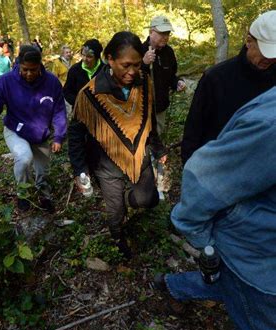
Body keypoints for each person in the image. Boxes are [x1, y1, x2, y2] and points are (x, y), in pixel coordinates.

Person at [156, 85, 276, 330]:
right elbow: (203, 173)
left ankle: (173, 286)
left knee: (228, 281)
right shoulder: (269, 124)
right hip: (258, 257)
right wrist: (202, 238)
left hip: (253, 253)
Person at [68, 32, 166, 256]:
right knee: (115, 211)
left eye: (137, 64)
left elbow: (148, 119)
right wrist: (79, 168)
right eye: (126, 65)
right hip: (106, 163)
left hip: (139, 156)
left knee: (147, 199)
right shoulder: (90, 94)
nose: (132, 71)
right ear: (109, 59)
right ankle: (118, 238)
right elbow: (76, 134)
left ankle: (129, 197)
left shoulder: (144, 83)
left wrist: (158, 148)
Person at [181, 10, 276, 164]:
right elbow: (193, 132)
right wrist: (191, 172)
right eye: (266, 52)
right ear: (249, 41)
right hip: (220, 168)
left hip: (264, 168)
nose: (271, 59)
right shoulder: (215, 79)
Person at [0, 45, 67, 212]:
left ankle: (43, 194)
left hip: (40, 133)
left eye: (33, 70)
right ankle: (24, 194)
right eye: (25, 69)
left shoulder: (51, 82)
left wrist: (58, 136)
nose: (29, 73)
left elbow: (59, 110)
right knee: (24, 158)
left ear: (40, 66)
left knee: (42, 169)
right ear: (18, 64)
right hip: (16, 129)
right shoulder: (6, 81)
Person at [142, 15, 186, 136]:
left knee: (158, 137)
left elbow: (171, 75)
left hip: (161, 107)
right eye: (162, 33)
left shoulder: (169, 52)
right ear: (151, 32)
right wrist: (144, 63)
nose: (165, 37)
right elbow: (129, 78)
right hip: (141, 110)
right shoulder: (139, 50)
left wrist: (177, 82)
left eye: (167, 33)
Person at [63, 39, 104, 107]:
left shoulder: (105, 70)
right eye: (83, 55)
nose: (85, 59)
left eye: (89, 57)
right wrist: (79, 103)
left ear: (97, 57)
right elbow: (67, 92)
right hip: (79, 112)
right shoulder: (75, 70)